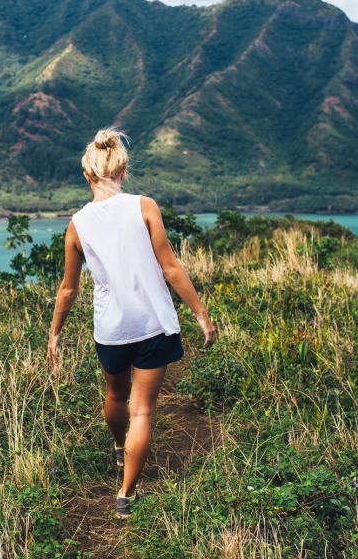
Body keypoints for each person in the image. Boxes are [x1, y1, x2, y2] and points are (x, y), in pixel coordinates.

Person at [46, 127, 218, 519]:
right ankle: (125, 494)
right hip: (153, 324)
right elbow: (172, 268)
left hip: (111, 329)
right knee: (142, 411)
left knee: (116, 398)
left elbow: (68, 289)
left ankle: (118, 446)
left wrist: (54, 335)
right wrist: (201, 315)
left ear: (88, 175)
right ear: (122, 171)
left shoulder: (77, 224)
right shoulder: (145, 206)